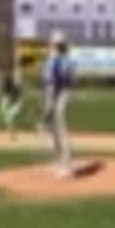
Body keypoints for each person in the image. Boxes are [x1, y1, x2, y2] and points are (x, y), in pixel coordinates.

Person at [42, 31, 77, 178]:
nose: (55, 45)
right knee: (52, 127)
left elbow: (58, 81)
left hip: (61, 92)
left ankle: (67, 165)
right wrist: (48, 101)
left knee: (60, 123)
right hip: (56, 91)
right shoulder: (57, 58)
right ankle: (59, 161)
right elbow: (50, 81)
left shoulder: (60, 59)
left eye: (56, 43)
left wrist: (50, 103)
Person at [0, 67, 25, 140]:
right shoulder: (14, 86)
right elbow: (11, 95)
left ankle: (13, 134)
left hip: (17, 105)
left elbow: (15, 98)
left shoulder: (17, 87)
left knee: (8, 117)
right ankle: (12, 133)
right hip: (15, 104)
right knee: (7, 116)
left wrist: (10, 99)